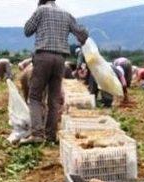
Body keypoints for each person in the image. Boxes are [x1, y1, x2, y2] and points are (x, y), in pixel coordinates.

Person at [23, 0, 88, 144]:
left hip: (43, 56)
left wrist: (38, 13)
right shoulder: (66, 14)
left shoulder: (41, 10)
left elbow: (27, 30)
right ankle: (51, 135)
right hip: (60, 59)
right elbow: (82, 34)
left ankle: (37, 134)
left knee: (34, 97)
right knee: (54, 99)